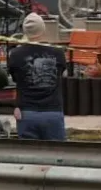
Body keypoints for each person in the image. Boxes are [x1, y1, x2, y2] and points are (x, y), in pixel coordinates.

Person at [8, 13, 67, 141]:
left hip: (27, 112)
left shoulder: (15, 54)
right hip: (53, 111)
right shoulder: (58, 52)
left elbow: (15, 78)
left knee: (29, 156)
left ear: (24, 30)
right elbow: (60, 73)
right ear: (43, 28)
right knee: (57, 155)